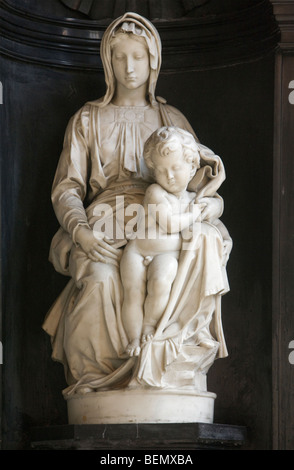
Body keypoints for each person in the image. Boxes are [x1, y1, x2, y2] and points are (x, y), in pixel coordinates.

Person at [43, 12, 230, 396]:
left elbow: (199, 179)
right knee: (99, 280)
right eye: (120, 57)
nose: (130, 67)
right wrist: (79, 231)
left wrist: (213, 206)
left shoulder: (169, 117)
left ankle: (163, 361)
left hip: (163, 222)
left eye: (139, 57)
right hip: (104, 226)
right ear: (107, 63)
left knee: (201, 245)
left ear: (154, 61)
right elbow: (67, 188)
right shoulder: (87, 119)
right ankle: (98, 378)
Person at [121, 126, 206, 357]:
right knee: (133, 294)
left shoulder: (193, 199)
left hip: (166, 255)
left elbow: (216, 206)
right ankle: (134, 339)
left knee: (161, 282)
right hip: (137, 253)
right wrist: (194, 215)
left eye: (175, 168)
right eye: (160, 170)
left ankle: (150, 326)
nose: (168, 176)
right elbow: (169, 224)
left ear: (191, 167)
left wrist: (210, 207)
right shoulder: (155, 193)